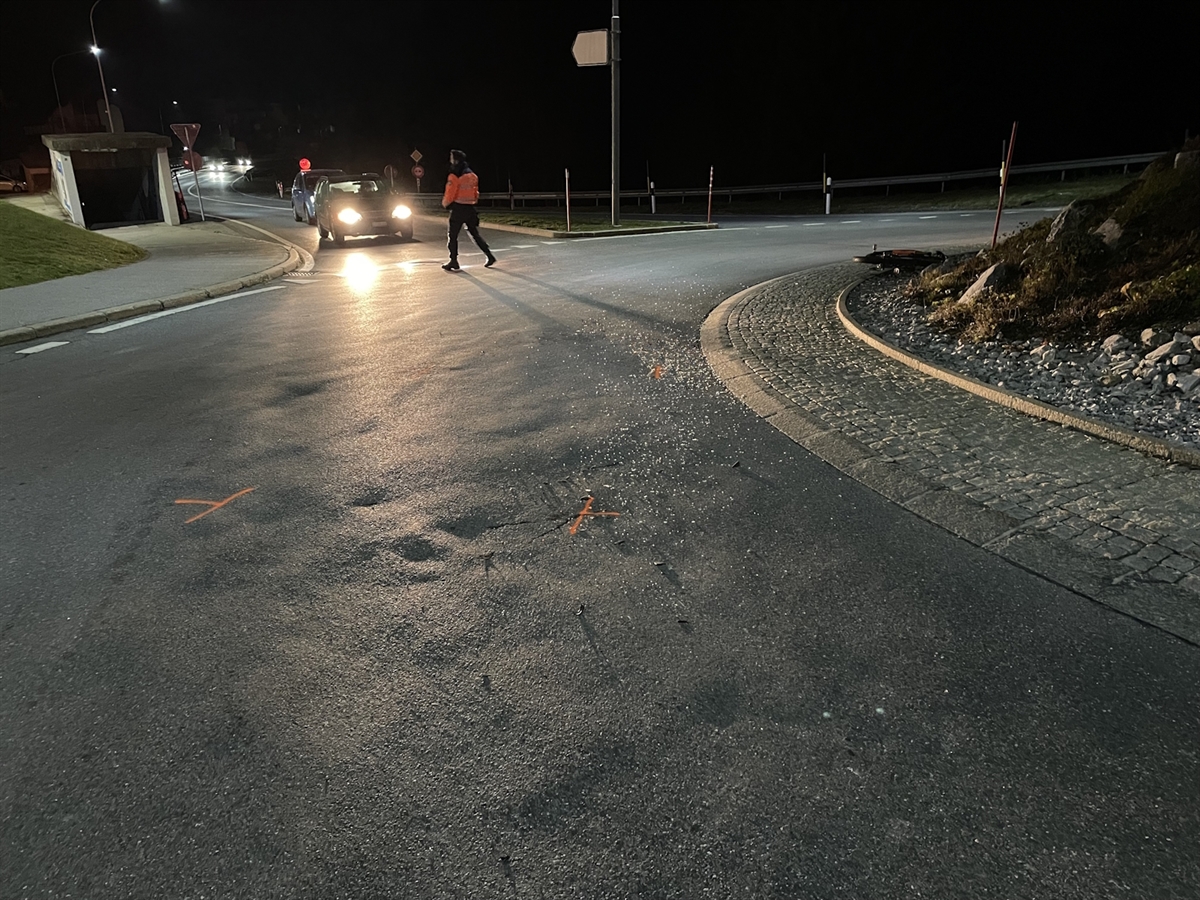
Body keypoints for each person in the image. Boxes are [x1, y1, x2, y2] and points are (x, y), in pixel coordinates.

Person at [441, 149, 496, 270]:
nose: (450, 160)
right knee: (474, 234)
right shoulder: (472, 175)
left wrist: (445, 204)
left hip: (458, 208)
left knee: (453, 236)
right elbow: (476, 192)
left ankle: (453, 260)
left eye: (451, 158)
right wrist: (473, 202)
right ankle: (489, 255)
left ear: (455, 160)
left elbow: (451, 192)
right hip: (470, 208)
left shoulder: (455, 174)